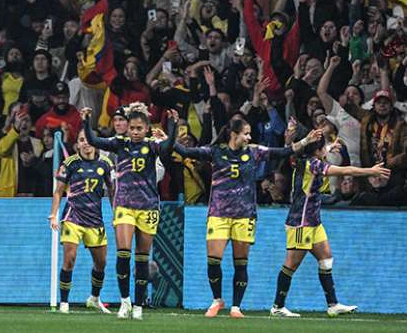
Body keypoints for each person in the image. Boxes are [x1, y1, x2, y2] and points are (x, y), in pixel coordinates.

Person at [173, 118, 321, 318]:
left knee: (240, 262)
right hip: (218, 214)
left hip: (244, 216)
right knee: (213, 260)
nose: (249, 137)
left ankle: (236, 307)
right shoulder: (216, 151)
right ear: (235, 134)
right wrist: (169, 137)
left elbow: (282, 151)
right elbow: (187, 152)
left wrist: (305, 141)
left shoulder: (254, 151)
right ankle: (217, 300)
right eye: (246, 133)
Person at [270, 137, 391, 318]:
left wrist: (329, 146)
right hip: (301, 222)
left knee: (326, 259)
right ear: (318, 152)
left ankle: (333, 304)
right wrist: (370, 170)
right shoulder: (314, 165)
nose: (325, 152)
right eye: (323, 149)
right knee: (291, 264)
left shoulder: (306, 159)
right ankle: (278, 306)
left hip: (314, 221)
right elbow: (345, 170)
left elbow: (317, 150)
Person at [81, 102, 177, 320]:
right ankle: (125, 301)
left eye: (139, 129)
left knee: (142, 258)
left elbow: (169, 146)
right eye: (131, 128)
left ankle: (139, 306)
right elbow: (96, 141)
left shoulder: (153, 146)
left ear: (146, 129)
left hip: (148, 207)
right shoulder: (120, 143)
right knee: (123, 253)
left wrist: (173, 125)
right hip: (124, 205)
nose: (134, 132)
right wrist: (86, 122)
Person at [48, 130, 112, 314]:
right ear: (77, 143)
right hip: (73, 217)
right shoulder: (70, 163)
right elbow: (59, 191)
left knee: (101, 264)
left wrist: (117, 213)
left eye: (89, 140)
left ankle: (94, 298)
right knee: (70, 259)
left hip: (95, 220)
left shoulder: (106, 164)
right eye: (81, 140)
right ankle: (64, 303)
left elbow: (113, 190)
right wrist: (53, 214)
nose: (86, 143)